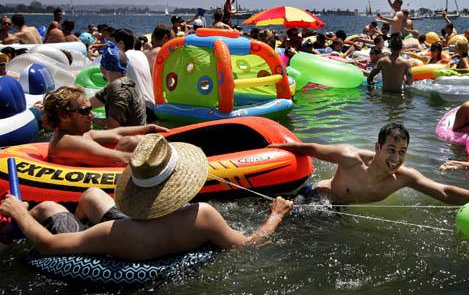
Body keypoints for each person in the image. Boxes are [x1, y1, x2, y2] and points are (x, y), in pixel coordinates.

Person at [0, 134, 294, 260]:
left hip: (129, 238)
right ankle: (75, 224)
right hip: (151, 235)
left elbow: (49, 246)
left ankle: (11, 229)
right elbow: (249, 245)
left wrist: (20, 211)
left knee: (48, 206)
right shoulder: (202, 215)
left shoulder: (115, 232)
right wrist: (275, 215)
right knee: (92, 194)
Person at [271, 123, 469, 206]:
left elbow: (444, 192)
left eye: (402, 152)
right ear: (378, 148)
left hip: (339, 211)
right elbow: (309, 149)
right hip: (314, 199)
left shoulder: (404, 178)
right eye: (391, 150)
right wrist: (276, 149)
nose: (396, 159)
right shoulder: (349, 158)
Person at [42, 85, 166, 166]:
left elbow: (117, 132)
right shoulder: (68, 142)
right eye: (85, 111)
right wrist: (163, 160)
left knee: (127, 141)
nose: (92, 114)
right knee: (131, 142)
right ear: (64, 116)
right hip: (89, 188)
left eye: (90, 109)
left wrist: (149, 128)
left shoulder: (77, 133)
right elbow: (121, 158)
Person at [90, 42, 147, 128]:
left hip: (127, 138)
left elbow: (114, 127)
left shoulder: (118, 88)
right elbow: (91, 103)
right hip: (135, 135)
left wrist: (91, 119)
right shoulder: (126, 82)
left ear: (103, 68)